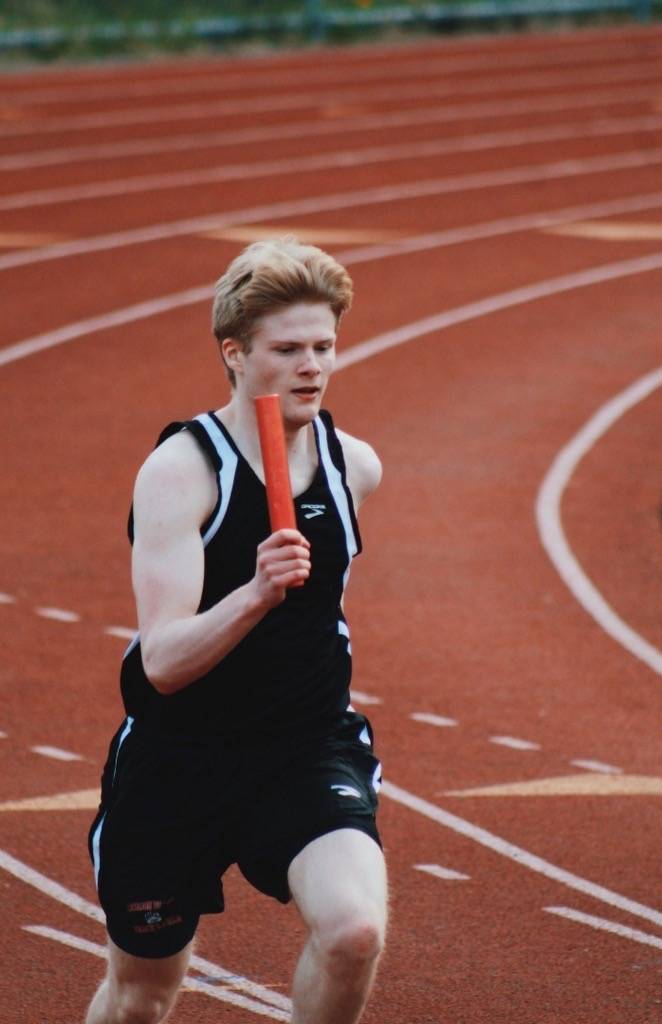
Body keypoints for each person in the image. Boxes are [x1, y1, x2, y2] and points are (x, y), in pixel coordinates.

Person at [86, 238, 387, 1024]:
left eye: (324, 347)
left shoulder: (354, 465)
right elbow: (163, 663)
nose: (311, 367)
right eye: (287, 349)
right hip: (179, 761)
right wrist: (254, 593)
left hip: (304, 745)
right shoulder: (182, 473)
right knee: (142, 1000)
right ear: (235, 353)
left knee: (354, 931)